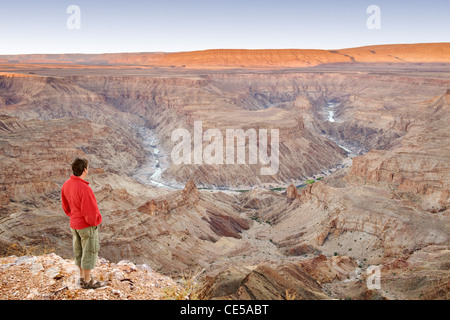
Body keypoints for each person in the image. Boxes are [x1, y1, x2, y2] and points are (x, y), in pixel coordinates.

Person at [61, 158, 106, 289]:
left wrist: (73, 216)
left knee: (78, 250)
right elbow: (90, 212)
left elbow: (65, 207)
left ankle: (81, 277)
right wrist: (96, 221)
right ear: (85, 169)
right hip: (86, 226)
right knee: (89, 251)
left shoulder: (66, 185)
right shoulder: (84, 188)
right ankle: (88, 281)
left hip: (74, 225)